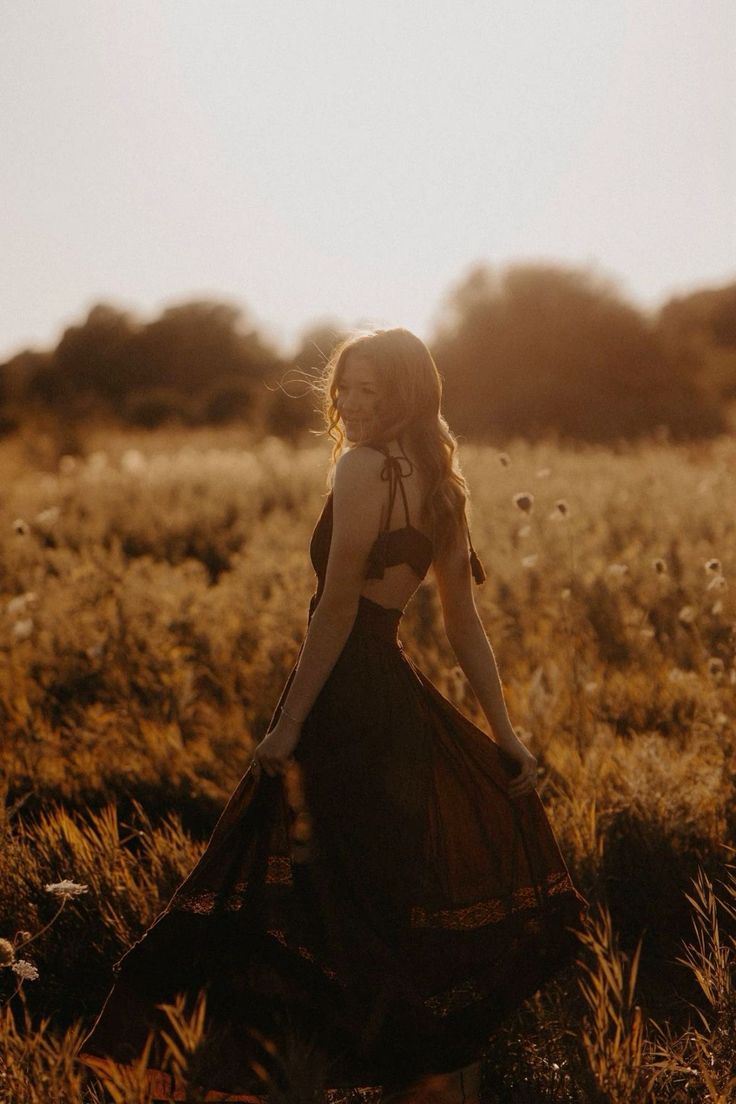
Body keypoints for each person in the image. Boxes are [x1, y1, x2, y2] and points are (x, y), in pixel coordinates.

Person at [77, 328, 587, 1104]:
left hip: (347, 705)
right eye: (345, 388)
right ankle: (408, 1079)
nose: (351, 403)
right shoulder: (444, 485)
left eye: (371, 390)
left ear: (408, 393)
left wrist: (287, 724)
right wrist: (503, 733)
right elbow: (462, 626)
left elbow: (338, 607)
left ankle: (283, 1075)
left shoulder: (361, 469)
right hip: (398, 706)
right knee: (374, 904)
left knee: (303, 892)